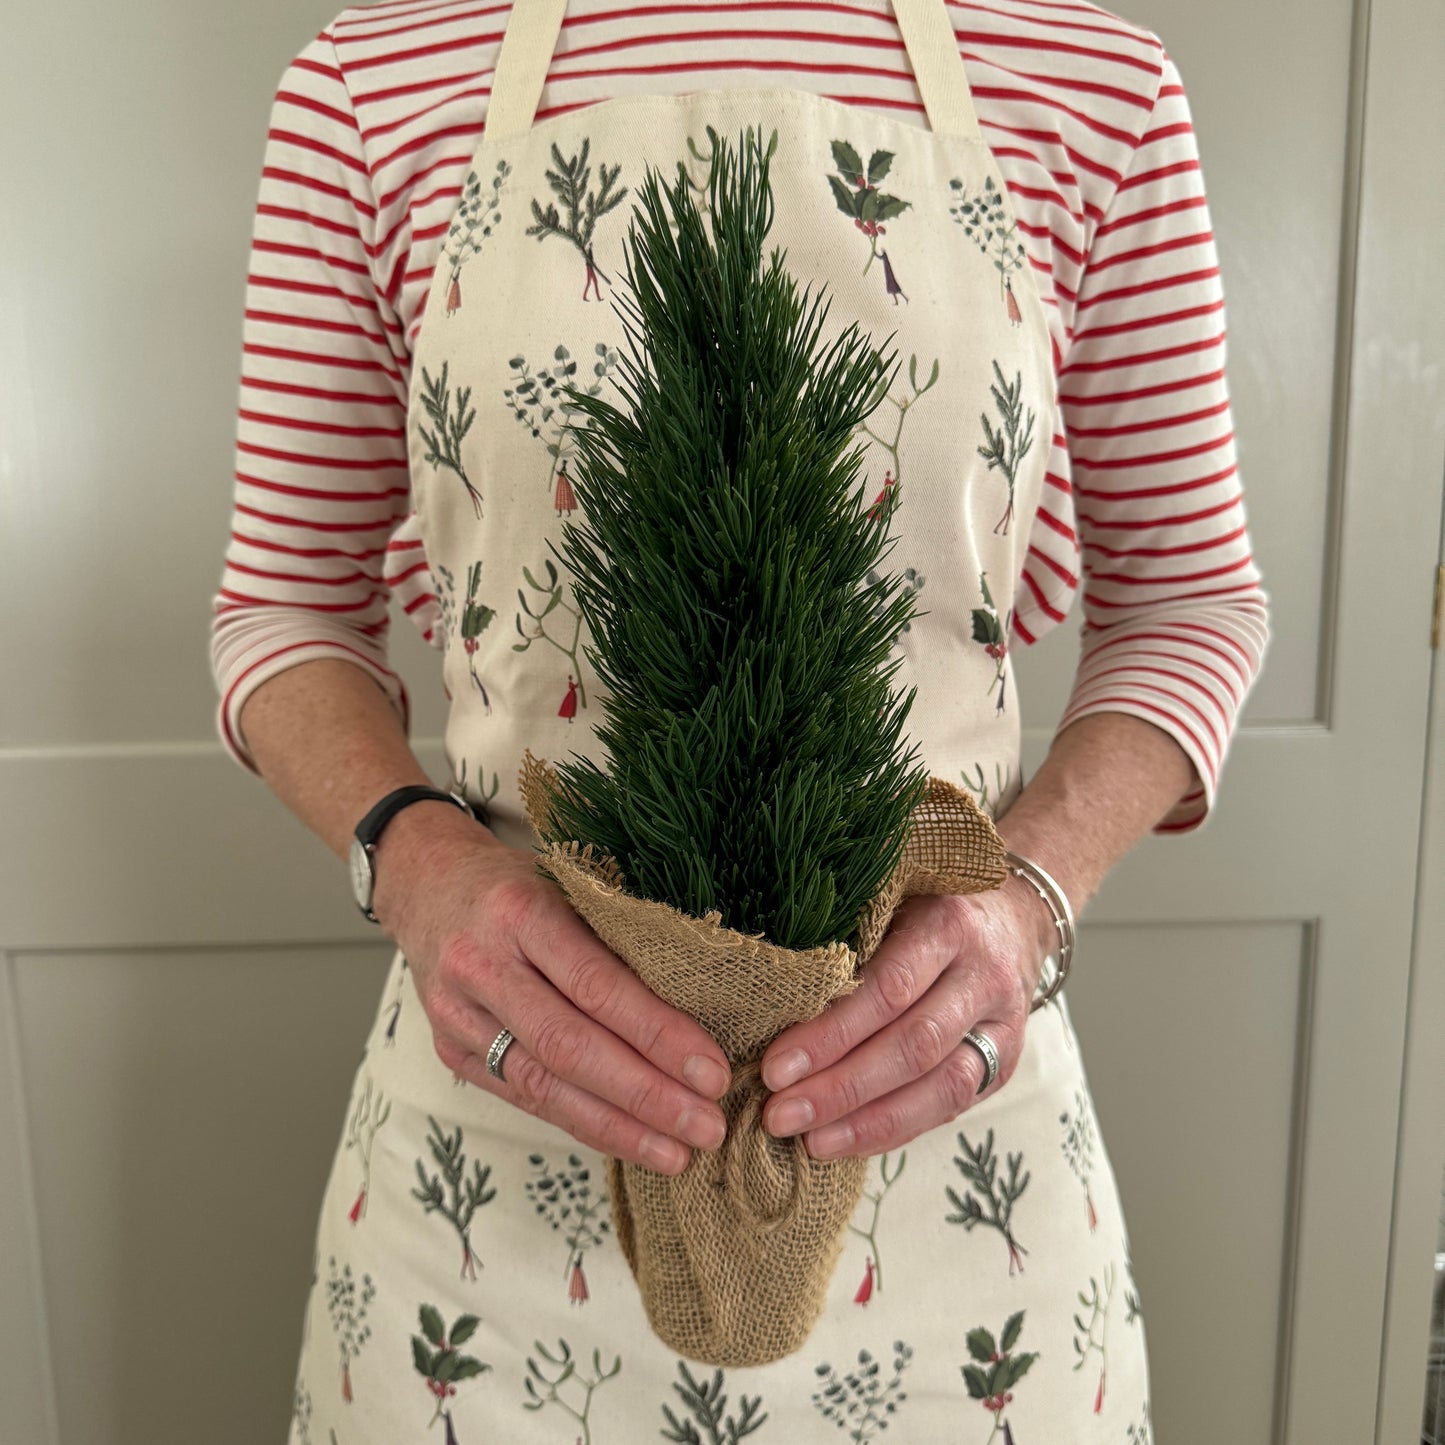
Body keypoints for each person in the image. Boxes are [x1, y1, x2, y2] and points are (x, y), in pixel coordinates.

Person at [212, 1, 1269, 1440]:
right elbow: (282, 605)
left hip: (940, 1128)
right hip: (504, 1134)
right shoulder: (375, 83)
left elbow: (1191, 601)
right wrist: (418, 864)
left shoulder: (1090, 83)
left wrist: (1024, 904)